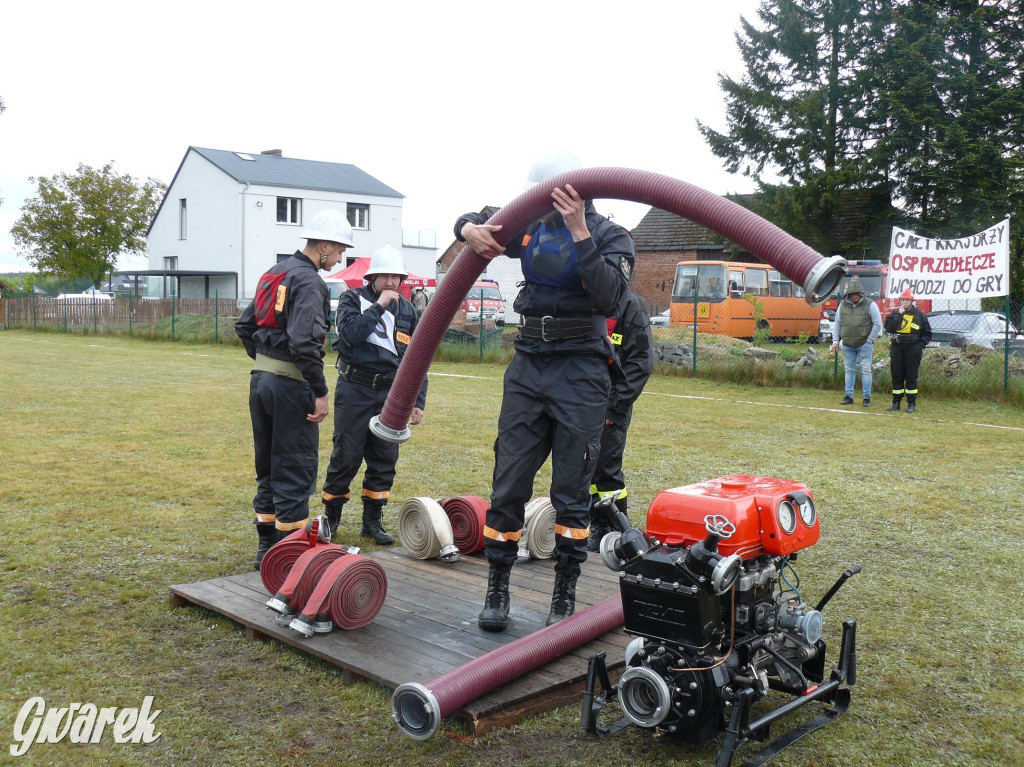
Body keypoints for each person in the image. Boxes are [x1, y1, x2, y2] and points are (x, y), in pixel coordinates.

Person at [455, 148, 633, 631]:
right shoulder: (531, 226)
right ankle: (497, 586)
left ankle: (565, 591)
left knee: (572, 487)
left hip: (581, 368)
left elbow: (610, 296)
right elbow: (481, 218)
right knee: (508, 481)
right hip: (529, 362)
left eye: (552, 197)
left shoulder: (611, 235)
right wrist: (465, 229)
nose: (544, 205)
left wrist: (579, 231)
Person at [235, 209, 352, 569]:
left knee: (268, 464)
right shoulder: (310, 282)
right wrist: (320, 391)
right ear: (324, 245)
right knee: (295, 466)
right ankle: (290, 559)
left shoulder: (273, 273)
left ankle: (266, 549)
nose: (340, 258)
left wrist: (267, 361)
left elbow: (244, 325)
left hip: (261, 381)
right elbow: (304, 341)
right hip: (290, 386)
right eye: (339, 251)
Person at [320, 244, 427, 545]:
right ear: (372, 277)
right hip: (355, 389)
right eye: (385, 276)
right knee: (347, 454)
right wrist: (378, 306)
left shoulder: (408, 310)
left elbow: (418, 358)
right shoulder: (351, 299)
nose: (391, 283)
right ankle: (332, 518)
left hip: (392, 394)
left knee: (384, 457)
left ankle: (372, 522)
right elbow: (351, 333)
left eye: (396, 277)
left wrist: (417, 400)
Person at [587, 289, 654, 552]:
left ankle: (612, 529)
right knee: (581, 466)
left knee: (605, 470)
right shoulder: (583, 296)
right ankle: (586, 523)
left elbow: (641, 361)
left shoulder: (630, 305)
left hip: (611, 402)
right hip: (579, 399)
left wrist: (616, 407)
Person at [830, 278, 882, 406]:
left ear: (860, 294)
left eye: (856, 294)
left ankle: (866, 398)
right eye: (851, 294)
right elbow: (837, 324)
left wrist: (870, 340)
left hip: (864, 344)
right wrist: (835, 341)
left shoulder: (871, 305)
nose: (854, 296)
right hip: (847, 344)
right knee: (849, 370)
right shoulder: (842, 306)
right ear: (848, 295)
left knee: (866, 370)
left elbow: (877, 324)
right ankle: (848, 396)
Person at [884, 288, 932, 413]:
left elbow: (927, 333)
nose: (904, 302)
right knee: (897, 375)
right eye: (902, 300)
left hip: (913, 347)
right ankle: (896, 402)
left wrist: (920, 345)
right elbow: (889, 328)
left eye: (906, 300)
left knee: (911, 376)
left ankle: (911, 403)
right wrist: (899, 315)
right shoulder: (895, 313)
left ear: (911, 301)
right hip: (897, 347)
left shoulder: (919, 315)